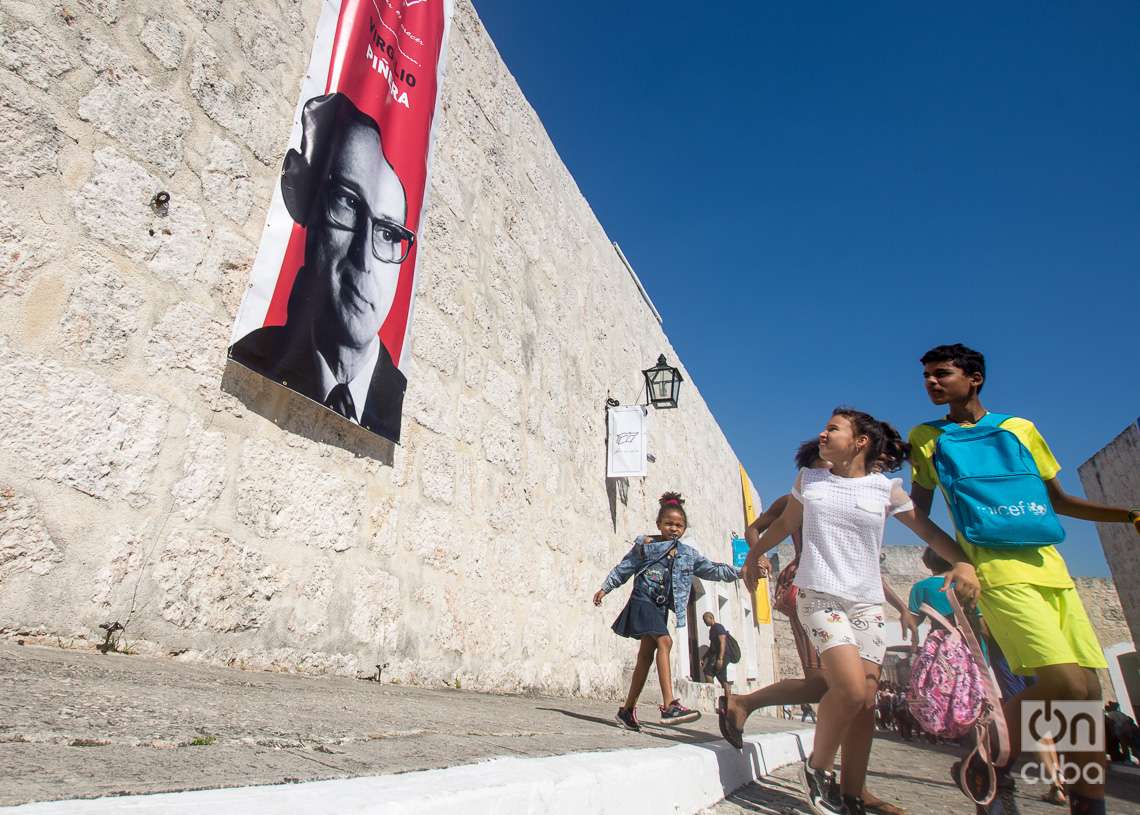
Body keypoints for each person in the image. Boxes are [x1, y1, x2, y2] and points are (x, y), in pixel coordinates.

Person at [908, 343, 1140, 815]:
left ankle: (1087, 803)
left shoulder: (1020, 429)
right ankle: (989, 755)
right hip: (996, 573)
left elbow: (1059, 500)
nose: (932, 382)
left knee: (1088, 697)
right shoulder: (927, 437)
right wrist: (960, 561)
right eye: (927, 376)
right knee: (1069, 686)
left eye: (942, 374)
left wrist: (1130, 514)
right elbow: (916, 514)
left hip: (1051, 569)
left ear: (974, 378)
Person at [741, 408, 980, 815]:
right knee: (850, 687)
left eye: (832, 428)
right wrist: (754, 556)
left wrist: (963, 562)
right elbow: (782, 527)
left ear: (860, 442)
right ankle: (818, 770)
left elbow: (928, 531)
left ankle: (853, 795)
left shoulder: (886, 490)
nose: (822, 433)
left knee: (867, 701)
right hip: (819, 597)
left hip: (866, 604)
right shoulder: (809, 481)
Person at [721, 439, 914, 815]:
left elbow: (869, 565)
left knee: (861, 693)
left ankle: (853, 786)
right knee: (826, 682)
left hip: (854, 593)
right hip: (809, 586)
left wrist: (901, 607)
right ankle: (744, 703)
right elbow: (755, 527)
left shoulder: (858, 492)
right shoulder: (804, 490)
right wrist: (758, 558)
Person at [229, 92, 413, 440]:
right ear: (309, 205)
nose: (364, 258)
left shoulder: (409, 409)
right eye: (347, 202)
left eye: (388, 233)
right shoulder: (252, 353)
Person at [594, 492, 741, 730]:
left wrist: (741, 572)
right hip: (642, 600)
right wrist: (605, 588)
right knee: (665, 642)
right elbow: (625, 567)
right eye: (669, 524)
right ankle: (670, 704)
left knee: (645, 657)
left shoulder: (688, 554)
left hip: (661, 607)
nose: (674, 529)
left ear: (684, 529)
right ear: (659, 524)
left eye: (679, 525)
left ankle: (627, 710)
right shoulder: (645, 546)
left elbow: (712, 570)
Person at [702, 612, 735, 697]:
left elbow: (722, 641)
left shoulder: (718, 627)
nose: (704, 622)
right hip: (718, 656)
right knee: (722, 678)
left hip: (722, 656)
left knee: (708, 672)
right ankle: (729, 704)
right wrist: (704, 657)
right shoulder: (712, 629)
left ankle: (712, 697)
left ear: (711, 618)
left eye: (705, 620)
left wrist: (720, 659)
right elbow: (712, 647)